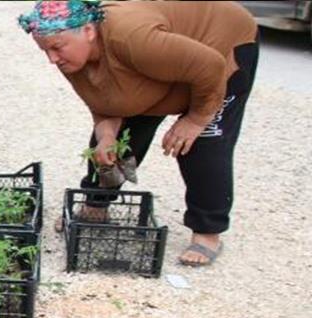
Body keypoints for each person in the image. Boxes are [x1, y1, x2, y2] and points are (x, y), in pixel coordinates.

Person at [19, 0, 259, 267]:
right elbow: (104, 105)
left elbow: (210, 65)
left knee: (202, 143)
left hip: (220, 45)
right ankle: (96, 205)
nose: (52, 59)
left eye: (56, 47)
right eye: (45, 51)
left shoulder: (132, 39)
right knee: (116, 143)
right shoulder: (73, 58)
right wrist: (107, 138)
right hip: (160, 63)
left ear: (88, 31)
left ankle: (208, 230)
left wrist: (195, 119)